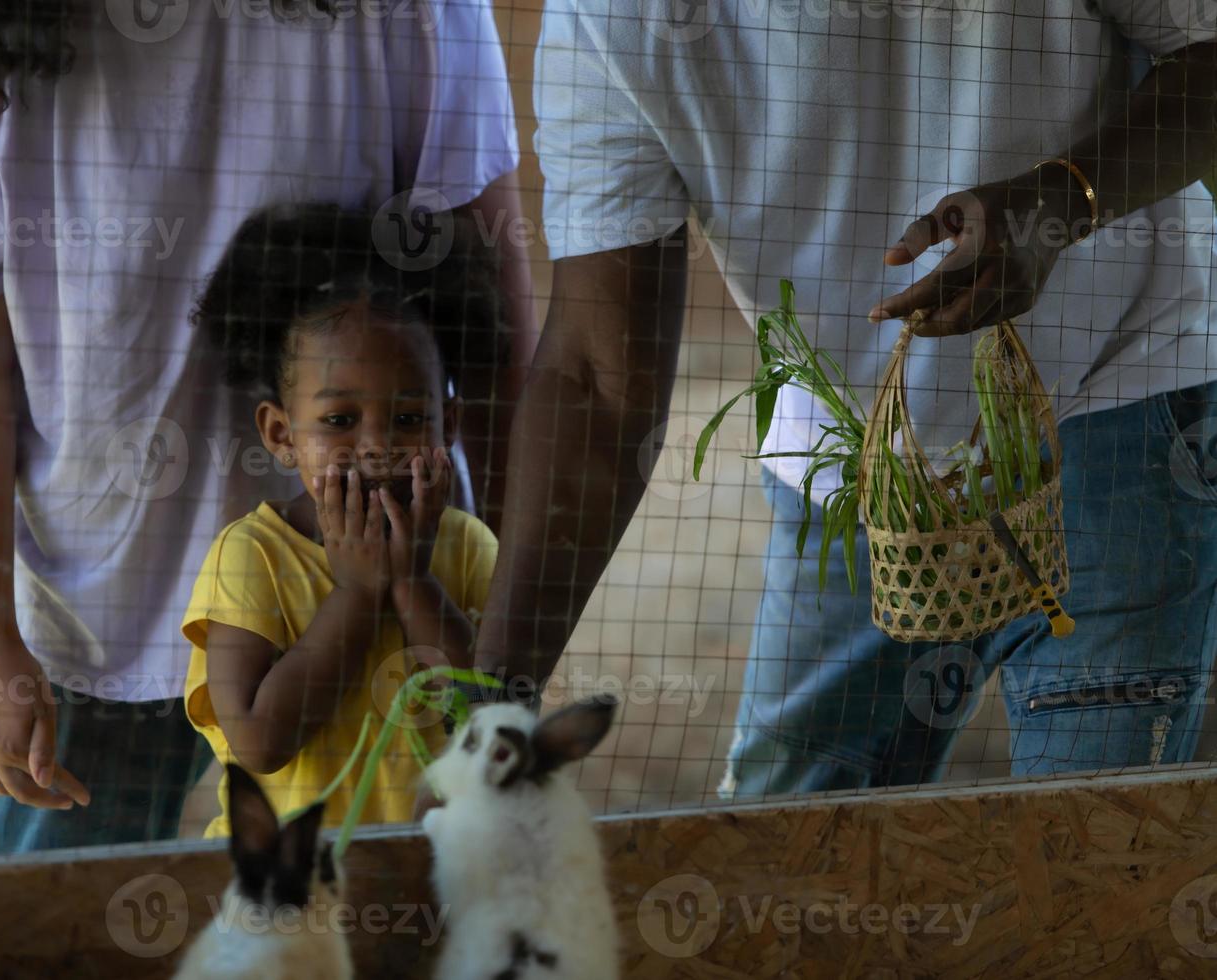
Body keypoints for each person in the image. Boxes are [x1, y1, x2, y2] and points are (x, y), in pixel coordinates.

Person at [474, 0, 1217, 797]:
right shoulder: (610, 19)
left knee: (1095, 856)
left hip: (1118, 410)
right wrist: (486, 713)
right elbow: (595, 380)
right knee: (787, 865)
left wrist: (1062, 201)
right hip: (850, 471)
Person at [0, 0, 530, 854]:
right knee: (51, 932)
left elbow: (499, 333)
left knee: (376, 930)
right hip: (100, 605)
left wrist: (506, 618)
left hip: (380, 590)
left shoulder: (414, 10)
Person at [182, 203, 501, 834]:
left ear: (450, 425)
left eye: (410, 419)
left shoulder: (467, 548)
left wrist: (412, 581)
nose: (378, 446)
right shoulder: (253, 556)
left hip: (436, 875)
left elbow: (490, 720)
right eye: (339, 421)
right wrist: (358, 592)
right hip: (291, 890)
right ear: (281, 433)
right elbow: (259, 742)